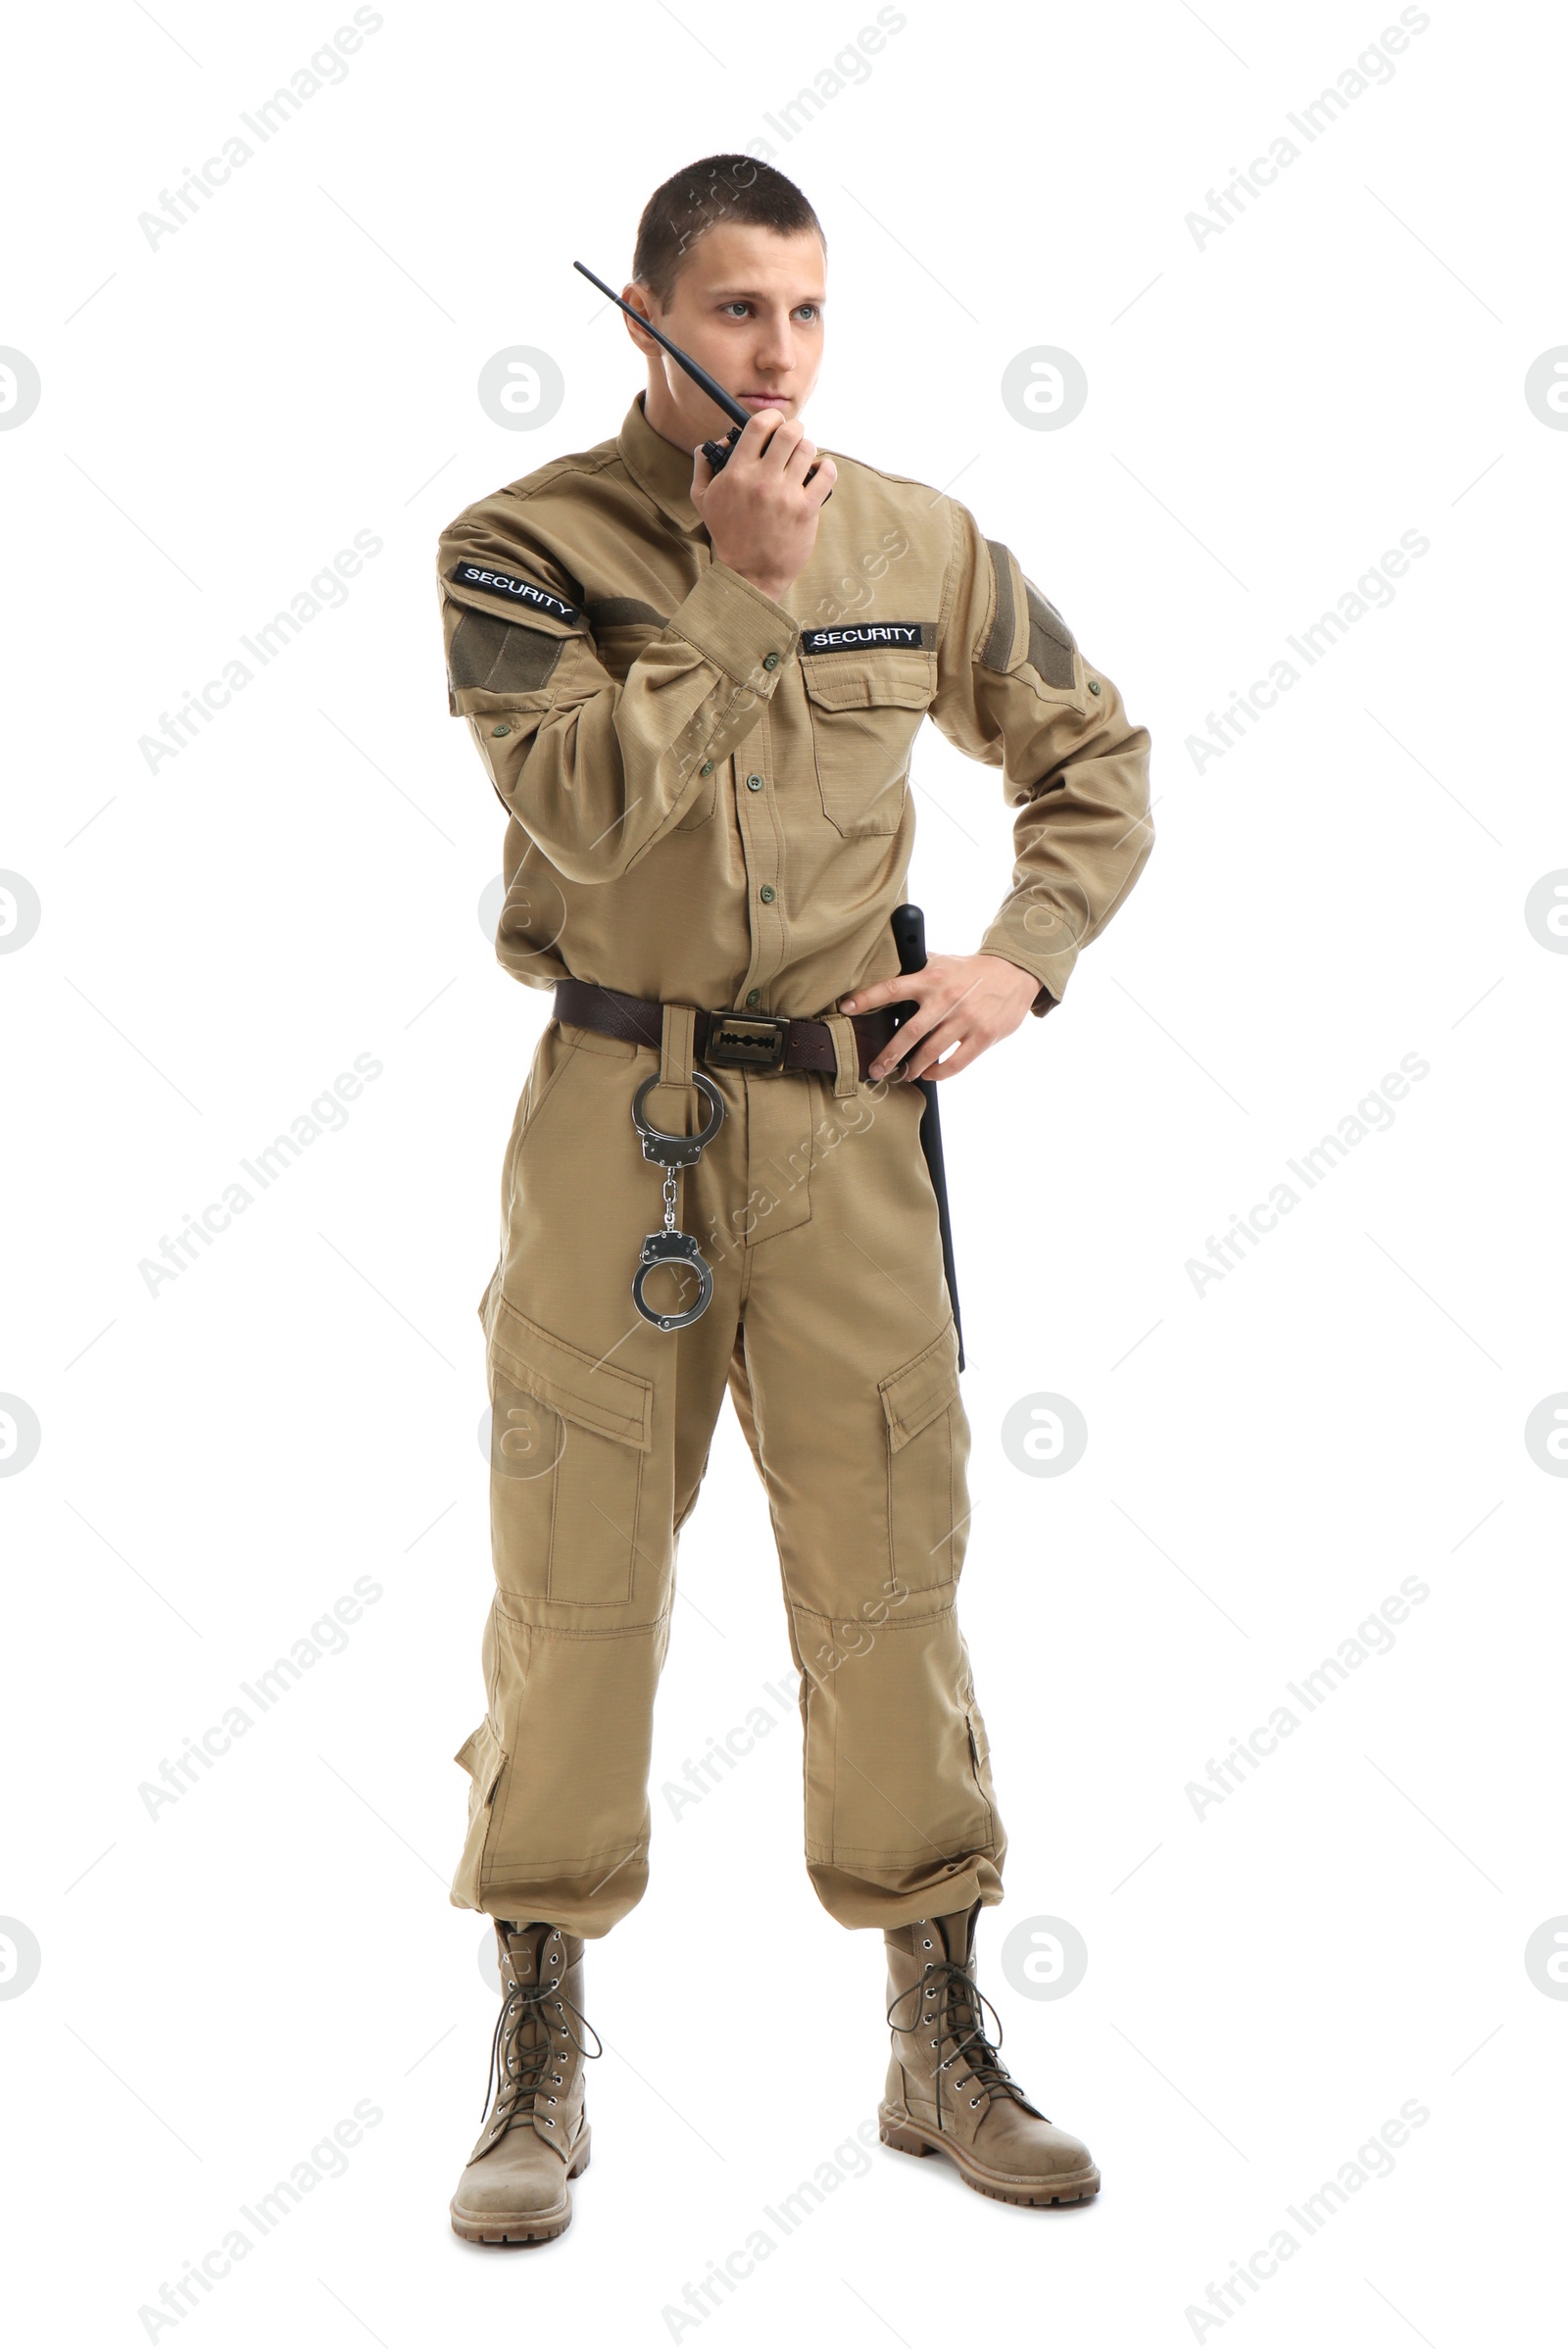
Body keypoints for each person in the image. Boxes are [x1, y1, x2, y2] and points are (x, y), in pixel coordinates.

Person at [435, 153, 1152, 2243]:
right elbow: (570, 795)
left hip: (847, 1130)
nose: (776, 356)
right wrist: (741, 591)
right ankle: (536, 2043)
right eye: (737, 311)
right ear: (645, 316)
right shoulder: (519, 549)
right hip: (611, 1121)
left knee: (887, 1575)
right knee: (572, 1583)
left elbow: (1087, 752)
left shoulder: (916, 539)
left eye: (808, 313)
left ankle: (934, 2025)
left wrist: (1018, 956)